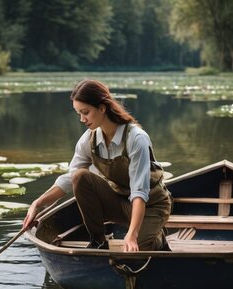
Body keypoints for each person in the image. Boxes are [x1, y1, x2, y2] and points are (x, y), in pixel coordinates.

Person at [23, 79, 172, 252]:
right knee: (80, 176)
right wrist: (37, 203)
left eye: (85, 112)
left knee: (138, 251)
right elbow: (69, 179)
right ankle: (98, 240)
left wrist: (132, 235)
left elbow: (139, 192)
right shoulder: (88, 139)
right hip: (120, 202)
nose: (82, 119)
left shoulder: (136, 138)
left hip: (151, 207)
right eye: (79, 113)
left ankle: (158, 237)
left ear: (102, 108)